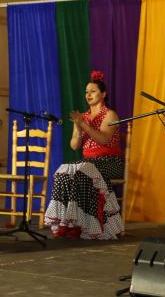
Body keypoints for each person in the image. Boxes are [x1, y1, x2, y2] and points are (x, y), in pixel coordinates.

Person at [44, 70, 125, 239]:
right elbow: (74, 145)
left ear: (103, 94)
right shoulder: (84, 115)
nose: (88, 95)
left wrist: (84, 124)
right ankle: (67, 222)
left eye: (93, 91)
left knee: (81, 173)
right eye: (86, 92)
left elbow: (103, 139)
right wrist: (77, 126)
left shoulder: (110, 114)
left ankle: (85, 225)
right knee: (63, 174)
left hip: (110, 163)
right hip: (89, 163)